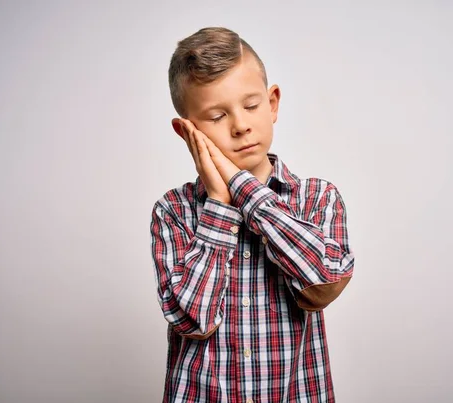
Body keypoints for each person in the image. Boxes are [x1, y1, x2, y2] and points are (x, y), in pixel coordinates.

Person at [150, 27, 355, 403]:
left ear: (272, 102)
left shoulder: (317, 197)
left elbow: (325, 281)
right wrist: (218, 201)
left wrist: (238, 185)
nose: (241, 125)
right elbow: (192, 319)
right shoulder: (173, 211)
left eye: (251, 105)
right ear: (186, 132)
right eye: (216, 115)